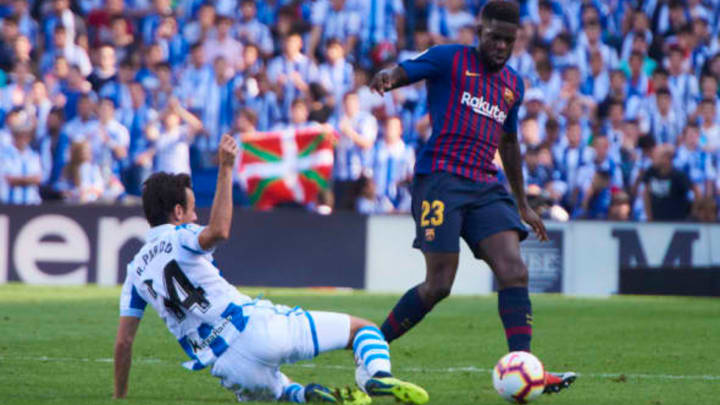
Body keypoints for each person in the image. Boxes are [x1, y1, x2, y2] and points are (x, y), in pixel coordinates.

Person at [113, 135, 428, 405]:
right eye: (193, 210)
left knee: (283, 391)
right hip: (254, 328)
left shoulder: (135, 271)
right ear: (178, 212)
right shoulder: (180, 235)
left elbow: (124, 342)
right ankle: (376, 375)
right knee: (363, 330)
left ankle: (309, 395)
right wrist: (225, 168)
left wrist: (120, 397)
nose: (195, 217)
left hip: (226, 367)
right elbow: (219, 230)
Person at [368, 0, 574, 394]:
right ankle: (371, 346)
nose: (500, 46)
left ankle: (524, 368)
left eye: (508, 41)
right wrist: (389, 76)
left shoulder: (514, 84)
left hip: (484, 184)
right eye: (494, 38)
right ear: (479, 32)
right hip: (441, 180)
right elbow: (407, 69)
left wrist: (522, 202)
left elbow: (509, 142)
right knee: (439, 284)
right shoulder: (450, 59)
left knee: (514, 271)